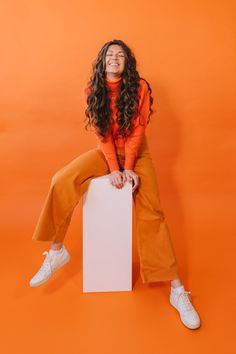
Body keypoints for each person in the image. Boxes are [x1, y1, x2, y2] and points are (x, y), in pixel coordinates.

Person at [29, 39, 201, 330]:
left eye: (121, 55)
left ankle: (177, 290)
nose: (115, 58)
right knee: (62, 179)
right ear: (102, 61)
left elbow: (137, 132)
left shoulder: (140, 88)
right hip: (107, 151)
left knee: (152, 212)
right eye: (110, 54)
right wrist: (113, 168)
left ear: (127, 62)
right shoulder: (92, 89)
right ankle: (57, 251)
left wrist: (130, 168)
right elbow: (102, 135)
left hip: (137, 152)